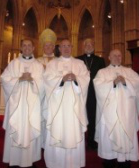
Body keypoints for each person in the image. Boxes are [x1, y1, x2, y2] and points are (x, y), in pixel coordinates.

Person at [43, 39, 90, 168]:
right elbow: (47, 80)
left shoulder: (80, 64)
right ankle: (56, 163)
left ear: (72, 47)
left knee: (73, 131)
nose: (66, 48)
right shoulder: (52, 64)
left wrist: (76, 79)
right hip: (58, 107)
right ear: (59, 49)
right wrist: (61, 80)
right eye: (63, 46)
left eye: (68, 46)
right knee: (58, 130)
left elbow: (86, 78)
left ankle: (73, 163)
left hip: (74, 107)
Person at [93, 49, 139, 168]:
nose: (117, 57)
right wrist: (113, 83)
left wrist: (126, 82)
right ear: (109, 57)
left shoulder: (129, 71)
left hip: (126, 113)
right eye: (114, 55)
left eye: (119, 55)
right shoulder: (102, 72)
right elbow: (98, 86)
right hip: (109, 114)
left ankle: (125, 162)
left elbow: (138, 82)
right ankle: (109, 162)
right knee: (109, 140)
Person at [1, 39, 45, 167]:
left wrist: (32, 80)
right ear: (21, 47)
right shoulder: (13, 64)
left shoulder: (38, 66)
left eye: (29, 45)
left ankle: (29, 160)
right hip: (16, 106)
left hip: (33, 106)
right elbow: (4, 79)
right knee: (17, 129)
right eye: (24, 45)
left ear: (33, 48)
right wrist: (19, 79)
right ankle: (14, 161)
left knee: (30, 128)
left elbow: (43, 84)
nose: (27, 48)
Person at [77, 38, 105, 149]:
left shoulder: (100, 60)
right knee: (79, 116)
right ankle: (79, 141)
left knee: (93, 117)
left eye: (91, 44)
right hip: (79, 94)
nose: (89, 46)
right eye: (86, 44)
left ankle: (92, 141)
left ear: (94, 46)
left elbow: (103, 76)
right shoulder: (77, 60)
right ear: (83, 46)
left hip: (94, 93)